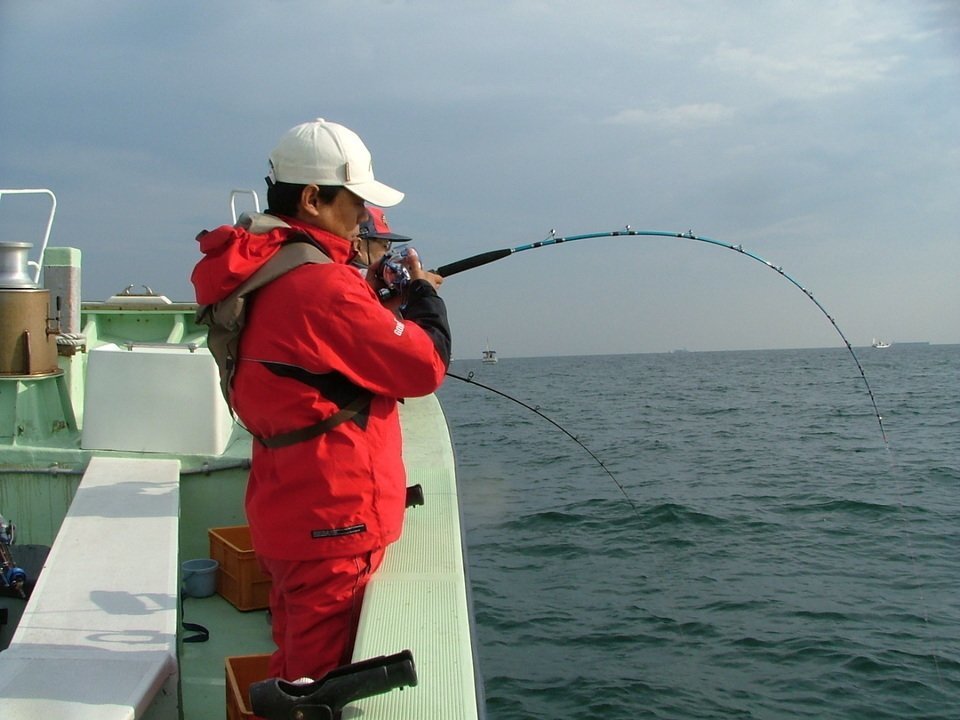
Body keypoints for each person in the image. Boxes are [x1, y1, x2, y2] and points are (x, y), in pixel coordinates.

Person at [191, 118, 451, 681]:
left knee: (292, 658)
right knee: (312, 688)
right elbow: (424, 366)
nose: (363, 217)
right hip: (335, 524)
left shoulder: (262, 266)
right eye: (356, 201)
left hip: (288, 506)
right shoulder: (323, 286)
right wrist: (425, 298)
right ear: (313, 198)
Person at [352, 205, 411, 270]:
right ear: (358, 246)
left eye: (388, 246)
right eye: (385, 246)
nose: (388, 252)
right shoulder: (352, 277)